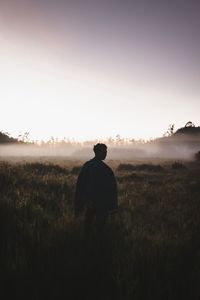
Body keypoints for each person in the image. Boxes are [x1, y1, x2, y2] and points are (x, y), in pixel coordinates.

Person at [74, 143, 118, 228]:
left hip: (90, 202)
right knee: (99, 227)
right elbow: (112, 189)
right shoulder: (105, 169)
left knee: (88, 226)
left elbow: (80, 186)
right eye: (103, 151)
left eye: (106, 151)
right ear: (97, 152)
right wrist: (113, 206)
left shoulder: (87, 166)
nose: (105, 153)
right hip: (100, 203)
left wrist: (81, 201)